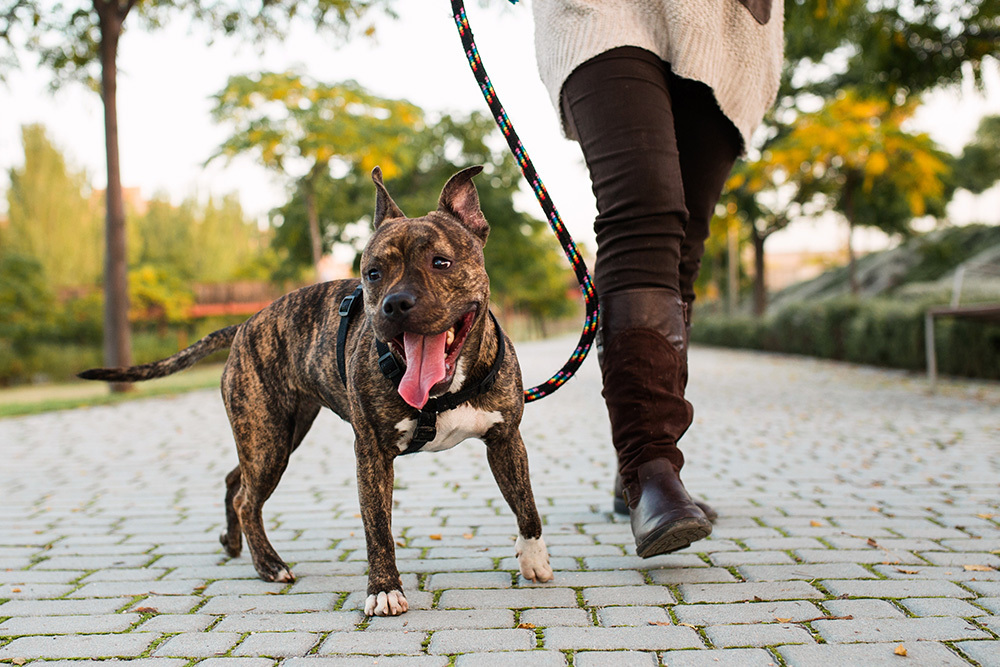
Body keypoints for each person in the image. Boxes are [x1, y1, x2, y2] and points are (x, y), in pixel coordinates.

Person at [531, 0, 784, 557]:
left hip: (727, 23)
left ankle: (642, 460)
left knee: (682, 245)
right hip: (603, 12)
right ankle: (650, 468)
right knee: (644, 206)